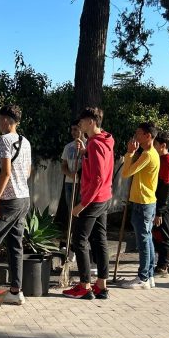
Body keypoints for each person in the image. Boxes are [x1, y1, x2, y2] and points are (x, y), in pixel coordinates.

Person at [62, 107, 114, 300]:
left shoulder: (95, 144)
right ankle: (101, 284)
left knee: (79, 240)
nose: (79, 125)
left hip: (93, 198)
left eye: (82, 122)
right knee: (100, 240)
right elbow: (98, 165)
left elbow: (98, 177)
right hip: (104, 197)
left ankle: (84, 285)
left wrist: (82, 204)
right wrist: (85, 151)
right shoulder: (105, 140)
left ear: (91, 121)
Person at [0, 105, 32, 305]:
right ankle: (16, 290)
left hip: (9, 201)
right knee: (15, 245)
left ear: (6, 120)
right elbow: (27, 171)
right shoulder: (25, 142)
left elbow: (6, 173)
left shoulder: (3, 140)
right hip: (24, 198)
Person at [121, 122, 160, 289]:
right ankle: (149, 275)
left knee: (143, 240)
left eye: (138, 133)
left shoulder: (147, 155)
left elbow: (126, 173)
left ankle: (143, 277)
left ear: (148, 136)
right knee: (147, 237)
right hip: (146, 201)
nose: (135, 136)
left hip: (143, 202)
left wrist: (130, 153)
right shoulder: (150, 153)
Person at [153, 132, 169, 276]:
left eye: (155, 144)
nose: (153, 146)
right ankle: (163, 262)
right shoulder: (167, 158)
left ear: (162, 145)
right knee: (157, 232)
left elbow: (166, 187)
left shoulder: (168, 161)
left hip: (163, 202)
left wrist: (159, 211)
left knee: (162, 233)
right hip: (161, 201)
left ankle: (163, 264)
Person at [61, 121, 84, 208]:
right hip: (69, 183)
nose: (72, 132)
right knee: (70, 210)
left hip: (83, 184)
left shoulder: (88, 145)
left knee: (80, 212)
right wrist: (70, 175)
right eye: (71, 130)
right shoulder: (68, 147)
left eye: (75, 129)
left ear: (82, 129)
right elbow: (63, 166)